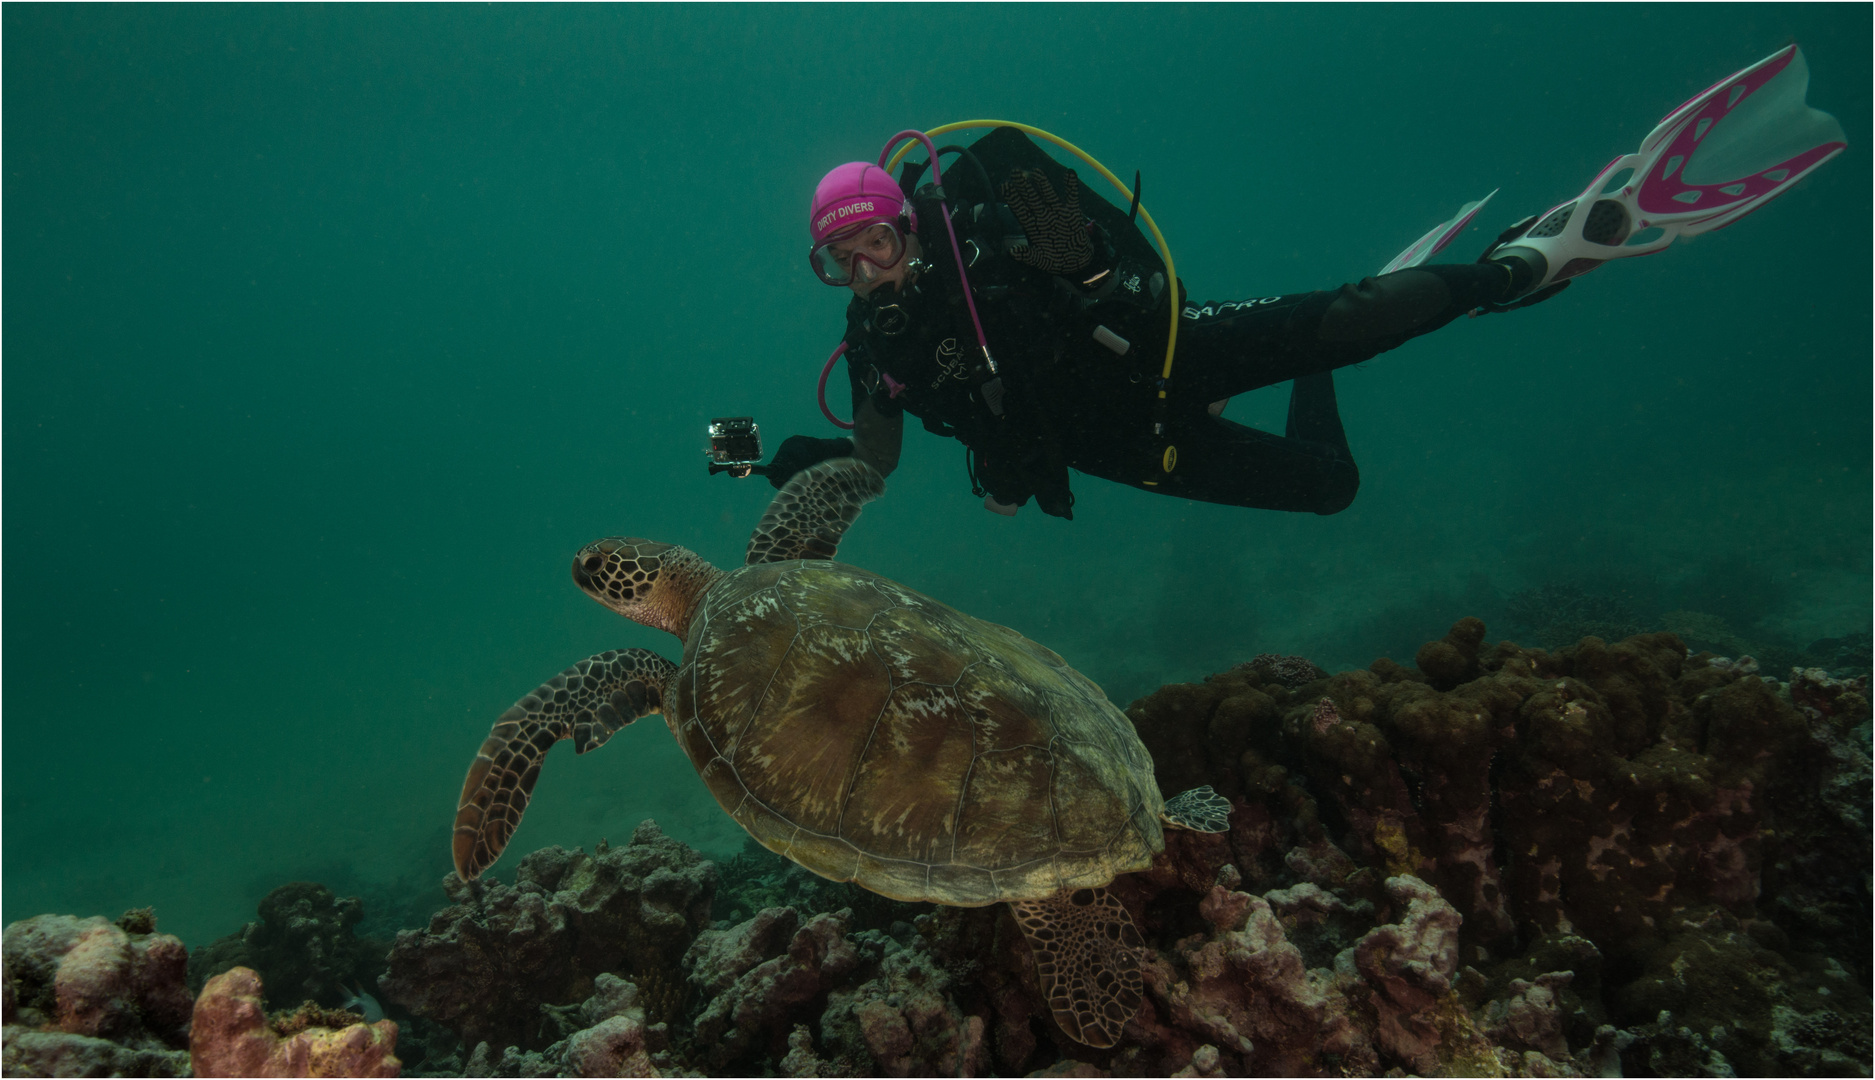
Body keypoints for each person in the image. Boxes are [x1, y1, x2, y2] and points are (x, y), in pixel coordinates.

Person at [762, 48, 1844, 521]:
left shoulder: (981, 242)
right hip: (1131, 445)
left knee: (1356, 321)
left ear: (911, 225)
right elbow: (878, 458)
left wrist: (1070, 253)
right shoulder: (875, 350)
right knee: (1330, 488)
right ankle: (1406, 303)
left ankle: (1532, 260)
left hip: (1167, 350)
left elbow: (1087, 264)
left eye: (879, 244)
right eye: (838, 260)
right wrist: (795, 461)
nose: (866, 270)